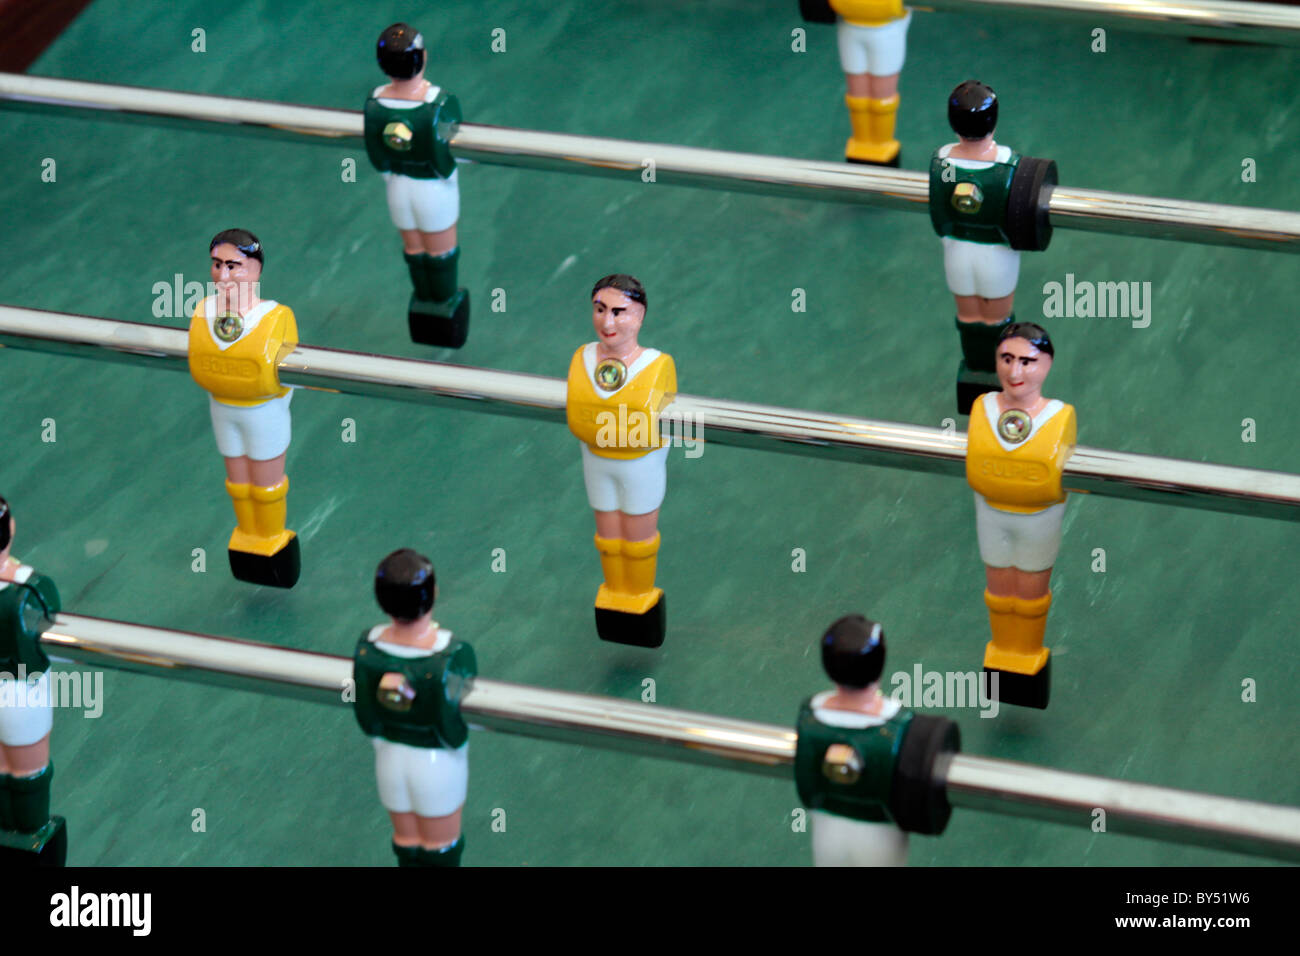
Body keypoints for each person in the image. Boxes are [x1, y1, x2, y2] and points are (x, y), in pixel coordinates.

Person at [965, 323, 1075, 708]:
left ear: (1047, 364)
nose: (1015, 373)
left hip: (1038, 520)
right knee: (998, 592)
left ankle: (1026, 652)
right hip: (992, 515)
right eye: (1007, 359)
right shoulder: (983, 408)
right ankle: (1002, 651)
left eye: (1028, 362)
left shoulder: (1060, 417)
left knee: (1029, 595)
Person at [565, 275, 677, 647]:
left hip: (639, 466)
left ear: (640, 315)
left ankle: (640, 596)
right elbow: (580, 421)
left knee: (638, 539)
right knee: (608, 538)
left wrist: (604, 421)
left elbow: (644, 428)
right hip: (598, 462)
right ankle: (615, 593)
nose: (607, 322)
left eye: (619, 312)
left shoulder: (657, 365)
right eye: (600, 310)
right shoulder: (582, 358)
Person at [187, 229, 300, 588]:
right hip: (223, 408)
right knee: (237, 483)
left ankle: (270, 538)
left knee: (265, 485)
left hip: (262, 413)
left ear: (255, 269)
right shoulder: (203, 311)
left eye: (234, 266)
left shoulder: (277, 317)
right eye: (217, 265)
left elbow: (291, 375)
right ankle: (248, 536)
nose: (223, 275)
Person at [353, 549, 476, 867]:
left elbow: (367, 717)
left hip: (390, 762)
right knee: (441, 847)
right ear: (433, 594)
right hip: (436, 767)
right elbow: (455, 725)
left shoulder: (368, 649)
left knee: (406, 844)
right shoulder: (451, 655)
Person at [365, 22, 470, 347]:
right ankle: (444, 309)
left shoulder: (375, 101)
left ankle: (422, 306)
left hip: (397, 188)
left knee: (414, 251)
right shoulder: (439, 103)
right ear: (422, 57)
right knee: (441, 254)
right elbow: (458, 149)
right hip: (433, 190)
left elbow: (376, 154)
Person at [930, 81, 1023, 411]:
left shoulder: (942, 162)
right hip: (996, 254)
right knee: (997, 318)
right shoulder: (1009, 165)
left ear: (953, 123)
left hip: (957, 251)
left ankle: (974, 370)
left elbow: (939, 215)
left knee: (968, 316)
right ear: (993, 122)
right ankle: (999, 374)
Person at [806, 615, 909, 866]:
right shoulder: (899, 722)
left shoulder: (812, 713)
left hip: (827, 837)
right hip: (881, 840)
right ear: (880, 665)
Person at [0, 496, 65, 862]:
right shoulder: (31, 589)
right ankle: (29, 838)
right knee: (29, 773)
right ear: (9, 530)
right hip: (21, 694)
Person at [830, 0, 911, 165]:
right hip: (851, 29)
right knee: (857, 96)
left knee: (881, 98)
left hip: (885, 31)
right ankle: (861, 140)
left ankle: (882, 142)